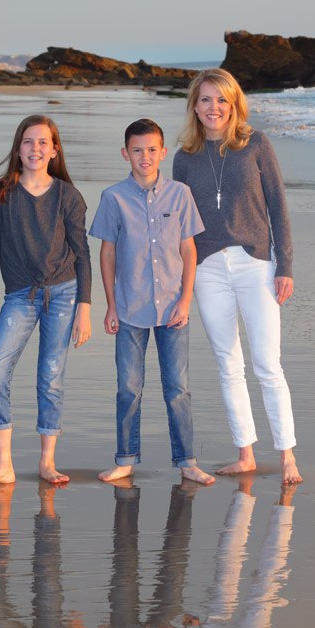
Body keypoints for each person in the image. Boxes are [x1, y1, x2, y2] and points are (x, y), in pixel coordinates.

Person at [172, 68, 302, 485]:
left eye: (222, 100)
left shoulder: (256, 144)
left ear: (234, 104)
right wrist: (181, 284)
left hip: (255, 264)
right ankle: (245, 453)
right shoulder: (183, 157)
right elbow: (178, 226)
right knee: (229, 365)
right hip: (208, 268)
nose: (214, 108)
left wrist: (285, 267)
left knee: (267, 365)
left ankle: (287, 458)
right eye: (206, 100)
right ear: (195, 104)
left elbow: (278, 208)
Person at [89, 118, 215, 486]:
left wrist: (185, 300)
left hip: (173, 308)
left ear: (163, 152)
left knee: (178, 387)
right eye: (137, 150)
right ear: (125, 153)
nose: (145, 157)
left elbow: (189, 250)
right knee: (129, 387)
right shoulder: (113, 197)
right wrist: (110, 305)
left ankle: (187, 461)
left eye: (152, 150)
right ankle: (125, 459)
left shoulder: (180, 194)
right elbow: (107, 253)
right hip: (129, 308)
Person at [0, 115, 92, 488]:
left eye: (43, 143)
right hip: (20, 295)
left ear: (54, 151)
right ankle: (3, 464)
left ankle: (46, 462)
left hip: (65, 292)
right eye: (28, 141)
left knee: (51, 376)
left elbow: (82, 253)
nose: (35, 149)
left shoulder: (68, 196)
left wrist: (85, 308)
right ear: (17, 148)